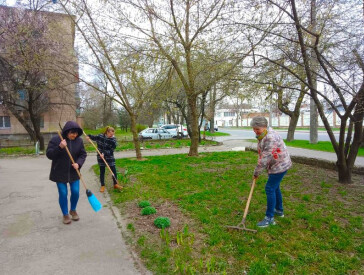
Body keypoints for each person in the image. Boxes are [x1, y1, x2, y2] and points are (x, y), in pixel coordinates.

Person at [251, 116, 292, 228]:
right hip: (277, 164)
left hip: (280, 165)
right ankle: (279, 210)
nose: (255, 131)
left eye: (257, 129)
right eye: (254, 128)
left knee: (269, 188)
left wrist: (256, 172)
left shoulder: (270, 138)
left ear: (264, 127)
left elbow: (265, 157)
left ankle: (269, 218)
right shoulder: (264, 134)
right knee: (275, 187)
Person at [46, 121, 87, 225]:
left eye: (77, 133)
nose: (75, 135)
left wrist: (78, 163)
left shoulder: (79, 141)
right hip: (59, 171)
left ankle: (73, 210)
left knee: (76, 191)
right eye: (73, 133)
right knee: (63, 193)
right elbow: (49, 154)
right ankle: (65, 214)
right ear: (67, 131)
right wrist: (59, 147)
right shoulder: (56, 140)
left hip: (74, 172)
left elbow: (83, 154)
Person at [86, 126, 123, 193]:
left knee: (113, 170)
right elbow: (94, 137)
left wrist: (104, 153)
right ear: (107, 132)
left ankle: (115, 184)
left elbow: (111, 150)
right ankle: (102, 185)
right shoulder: (100, 136)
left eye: (113, 134)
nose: (112, 136)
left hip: (109, 157)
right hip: (100, 157)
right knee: (102, 171)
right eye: (110, 134)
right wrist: (88, 136)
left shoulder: (113, 140)